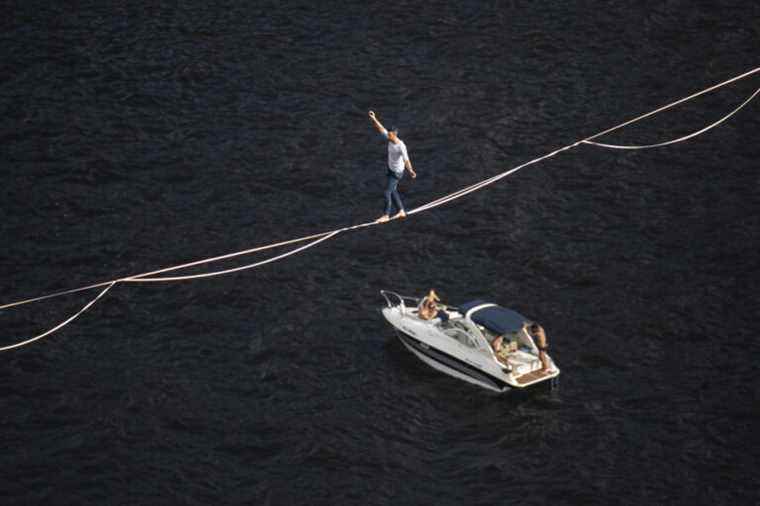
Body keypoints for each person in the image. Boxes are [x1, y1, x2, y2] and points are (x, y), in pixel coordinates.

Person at [368, 110, 417, 223]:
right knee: (393, 190)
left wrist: (411, 171)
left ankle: (386, 215)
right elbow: (380, 128)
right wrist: (374, 118)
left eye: (390, 134)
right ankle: (401, 211)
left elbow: (406, 160)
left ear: (394, 134)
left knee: (387, 192)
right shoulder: (389, 138)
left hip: (397, 173)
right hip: (390, 169)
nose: (388, 136)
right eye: (388, 134)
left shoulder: (401, 146)